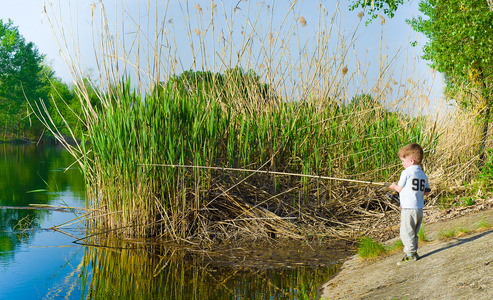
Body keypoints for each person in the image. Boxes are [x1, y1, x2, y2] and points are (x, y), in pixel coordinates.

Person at [389, 143, 430, 266]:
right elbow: (427, 192)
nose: (402, 163)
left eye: (403, 161)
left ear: (411, 161)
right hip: (419, 209)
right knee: (414, 231)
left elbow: (399, 189)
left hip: (408, 209)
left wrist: (393, 186)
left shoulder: (406, 173)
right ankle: (413, 252)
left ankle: (410, 254)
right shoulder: (423, 175)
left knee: (406, 232)